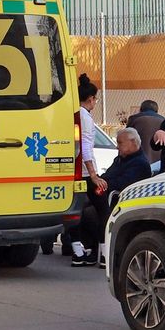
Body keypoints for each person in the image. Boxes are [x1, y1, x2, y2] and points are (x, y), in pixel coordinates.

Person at [81, 127, 153, 267]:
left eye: (120, 143)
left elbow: (123, 183)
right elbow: (109, 175)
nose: (117, 146)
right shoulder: (120, 159)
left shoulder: (140, 164)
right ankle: (89, 250)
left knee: (91, 213)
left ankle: (103, 252)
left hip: (121, 202)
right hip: (109, 197)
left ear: (133, 143)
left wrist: (104, 183)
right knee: (84, 208)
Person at [70, 74, 102, 266]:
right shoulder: (85, 118)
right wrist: (93, 174)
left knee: (74, 212)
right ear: (91, 99)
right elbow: (86, 147)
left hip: (74, 171)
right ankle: (103, 254)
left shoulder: (73, 114)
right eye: (95, 100)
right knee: (102, 210)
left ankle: (77, 251)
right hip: (84, 173)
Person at [126, 99, 165, 168]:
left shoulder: (134, 119)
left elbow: (125, 137)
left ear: (141, 109)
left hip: (138, 159)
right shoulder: (163, 120)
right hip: (158, 161)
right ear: (156, 110)